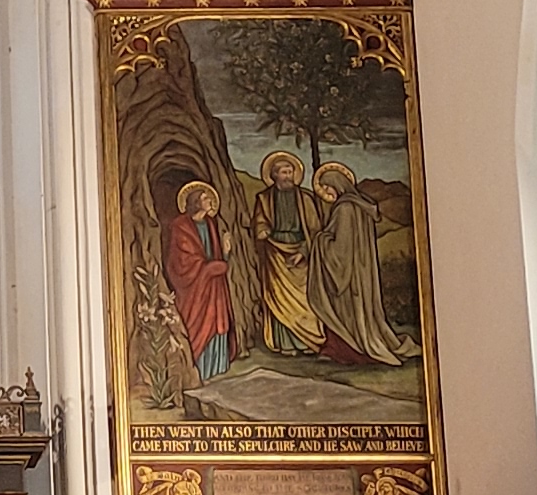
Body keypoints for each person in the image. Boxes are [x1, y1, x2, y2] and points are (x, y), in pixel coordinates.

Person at [309, 163, 411, 365]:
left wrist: (320, 240)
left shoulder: (344, 208)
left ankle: (347, 351)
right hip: (360, 270)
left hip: (347, 275)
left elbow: (341, 248)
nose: (327, 193)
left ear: (337, 184)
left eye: (328, 187)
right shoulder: (360, 205)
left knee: (345, 311)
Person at [251, 151, 326, 356]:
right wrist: (262, 230)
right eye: (283, 172)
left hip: (300, 251)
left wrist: (303, 251)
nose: (288, 176)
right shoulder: (264, 198)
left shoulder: (305, 198)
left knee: (304, 298)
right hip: (275, 252)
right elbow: (259, 221)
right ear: (274, 175)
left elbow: (315, 230)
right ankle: (285, 344)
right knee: (279, 297)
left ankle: (308, 341)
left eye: (290, 172)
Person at [161, 178, 233, 384]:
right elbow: (183, 262)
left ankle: (217, 370)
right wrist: (214, 267)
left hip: (214, 287)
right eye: (205, 198)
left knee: (217, 321)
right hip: (195, 289)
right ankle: (200, 371)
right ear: (195, 202)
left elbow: (215, 256)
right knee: (198, 323)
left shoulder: (210, 224)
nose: (210, 201)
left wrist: (224, 254)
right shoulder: (181, 227)